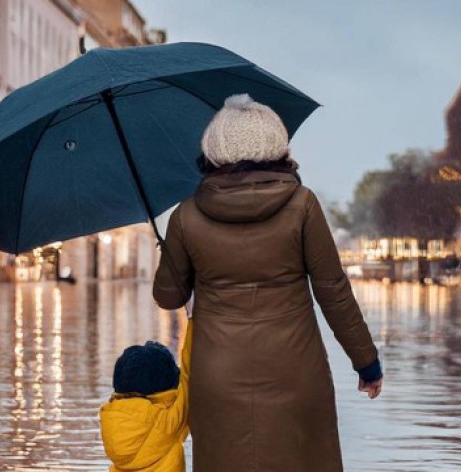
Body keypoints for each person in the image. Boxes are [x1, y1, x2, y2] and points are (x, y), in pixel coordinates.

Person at [153, 93, 383, 472]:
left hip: (218, 378)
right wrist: (366, 362)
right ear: (277, 145)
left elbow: (168, 296)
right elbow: (333, 292)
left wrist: (173, 254)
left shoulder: (187, 216)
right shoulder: (303, 205)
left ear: (214, 150)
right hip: (296, 373)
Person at [99, 320, 192, 472]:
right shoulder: (168, 424)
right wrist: (194, 316)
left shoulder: (110, 423)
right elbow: (190, 372)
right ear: (164, 394)